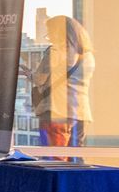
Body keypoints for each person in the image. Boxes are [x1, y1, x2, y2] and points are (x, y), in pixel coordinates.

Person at [33, 15, 94, 147]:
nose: (49, 37)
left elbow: (39, 79)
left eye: (50, 33)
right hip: (80, 113)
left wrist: (29, 74)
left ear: (58, 33)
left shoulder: (55, 52)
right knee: (75, 156)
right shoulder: (87, 55)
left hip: (56, 112)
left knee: (55, 156)